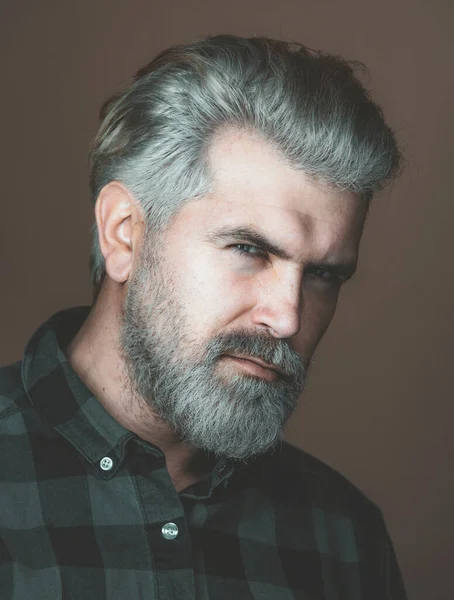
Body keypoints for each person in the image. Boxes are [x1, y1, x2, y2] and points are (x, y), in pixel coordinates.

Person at [0, 35, 407, 599]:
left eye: (324, 275)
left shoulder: (344, 535)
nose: (287, 318)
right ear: (124, 233)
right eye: (249, 249)